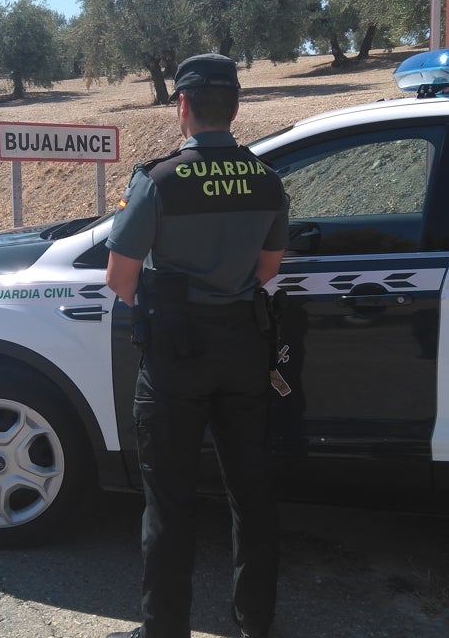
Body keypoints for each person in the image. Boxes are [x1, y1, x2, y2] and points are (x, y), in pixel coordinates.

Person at [105, 53, 290, 638]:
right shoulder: (267, 180)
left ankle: (164, 631)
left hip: (175, 355)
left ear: (181, 105)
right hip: (244, 348)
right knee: (253, 496)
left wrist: (173, 305)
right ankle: (255, 625)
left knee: (169, 499)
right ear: (235, 107)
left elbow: (120, 279)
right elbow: (269, 267)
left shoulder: (158, 182)